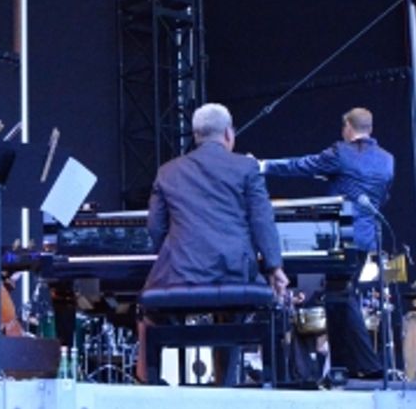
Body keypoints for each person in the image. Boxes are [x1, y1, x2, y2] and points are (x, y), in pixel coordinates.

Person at [140, 103, 288, 383]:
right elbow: (262, 221)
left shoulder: (168, 171)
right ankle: (226, 384)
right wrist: (274, 267)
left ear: (196, 136)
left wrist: (173, 255)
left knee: (149, 309)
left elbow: (155, 228)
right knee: (233, 312)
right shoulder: (246, 167)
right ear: (229, 133)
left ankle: (152, 384)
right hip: (233, 270)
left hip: (182, 271)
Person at [259, 107, 392, 379]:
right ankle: (343, 366)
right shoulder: (387, 160)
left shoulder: (340, 153)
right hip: (366, 237)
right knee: (336, 295)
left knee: (342, 294)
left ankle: (369, 365)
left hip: (342, 237)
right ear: (370, 129)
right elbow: (382, 196)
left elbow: (302, 165)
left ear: (348, 127)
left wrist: (264, 166)